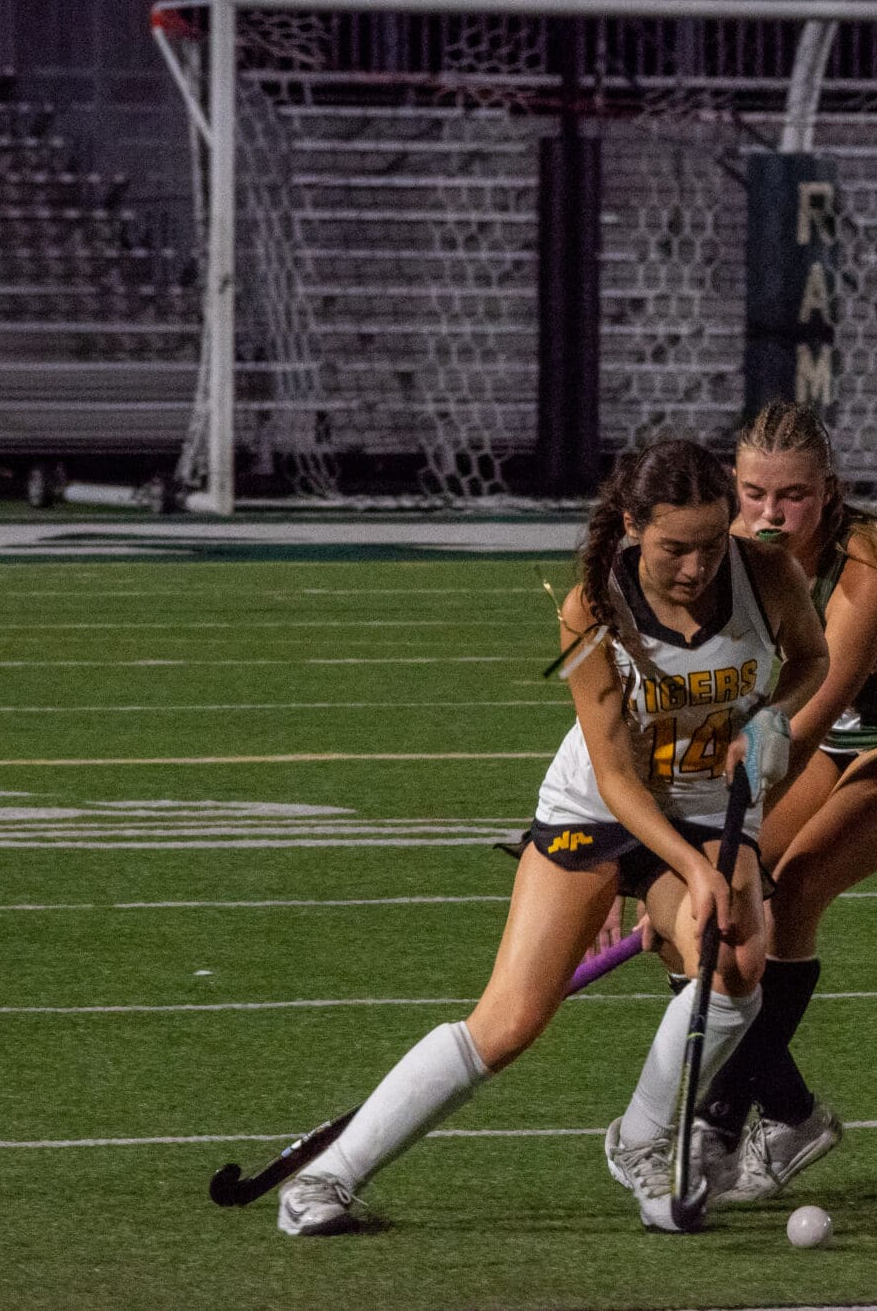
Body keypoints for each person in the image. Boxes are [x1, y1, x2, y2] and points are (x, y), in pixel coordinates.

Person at [275, 438, 827, 1237]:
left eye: (712, 544)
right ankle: (325, 1181)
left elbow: (813, 658)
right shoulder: (590, 609)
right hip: (597, 809)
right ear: (633, 525)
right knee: (510, 1021)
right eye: (675, 548)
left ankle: (642, 1141)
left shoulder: (768, 573)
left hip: (709, 804)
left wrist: (776, 713)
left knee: (738, 958)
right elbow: (616, 778)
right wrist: (693, 870)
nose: (697, 567)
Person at [689, 401, 877, 1202]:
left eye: (793, 496)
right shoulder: (727, 552)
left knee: (795, 886)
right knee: (718, 903)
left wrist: (729, 843)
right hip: (818, 737)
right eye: (754, 494)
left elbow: (811, 717)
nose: (770, 515)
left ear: (830, 490)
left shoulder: (869, 565)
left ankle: (720, 1115)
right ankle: (792, 1114)